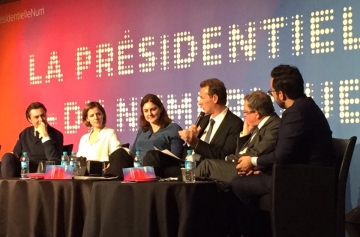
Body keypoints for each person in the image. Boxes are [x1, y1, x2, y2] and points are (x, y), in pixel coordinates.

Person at [231, 65, 335, 237]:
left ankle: (261, 232)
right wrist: (261, 167)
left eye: (271, 91)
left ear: (281, 94)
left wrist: (253, 161)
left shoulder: (294, 114)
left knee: (238, 184)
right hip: (306, 174)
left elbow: (281, 156)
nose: (272, 95)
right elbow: (290, 153)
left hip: (302, 180)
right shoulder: (307, 105)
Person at [195, 90, 280, 184]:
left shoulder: (274, 126)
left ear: (257, 114)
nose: (244, 115)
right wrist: (245, 134)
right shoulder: (257, 126)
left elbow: (258, 152)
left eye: (246, 112)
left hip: (252, 170)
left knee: (207, 165)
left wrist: (228, 159)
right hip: (241, 166)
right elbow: (240, 151)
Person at [179, 78, 243, 161]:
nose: (199, 102)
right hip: (191, 167)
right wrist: (189, 141)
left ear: (215, 98)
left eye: (202, 98)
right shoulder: (203, 120)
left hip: (210, 171)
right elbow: (186, 154)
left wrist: (196, 142)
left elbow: (224, 155)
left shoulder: (235, 124)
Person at [1, 102, 63, 178]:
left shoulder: (57, 134)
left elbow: (55, 160)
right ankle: (7, 188)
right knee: (7, 157)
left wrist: (45, 136)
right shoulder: (25, 133)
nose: (41, 119)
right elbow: (15, 154)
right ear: (30, 120)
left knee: (52, 163)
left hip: (44, 171)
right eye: (36, 117)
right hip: (26, 170)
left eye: (42, 115)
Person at [133, 94, 184, 177]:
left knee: (151, 155)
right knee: (119, 153)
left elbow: (176, 158)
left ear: (160, 109)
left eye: (153, 109)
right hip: (138, 168)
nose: (149, 113)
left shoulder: (173, 128)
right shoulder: (142, 130)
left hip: (162, 168)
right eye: (146, 111)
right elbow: (133, 153)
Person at [77, 101, 132, 177]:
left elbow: (116, 157)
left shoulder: (110, 133)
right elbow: (79, 160)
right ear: (87, 119)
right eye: (92, 115)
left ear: (103, 115)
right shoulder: (84, 138)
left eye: (98, 114)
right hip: (86, 175)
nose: (96, 118)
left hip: (103, 174)